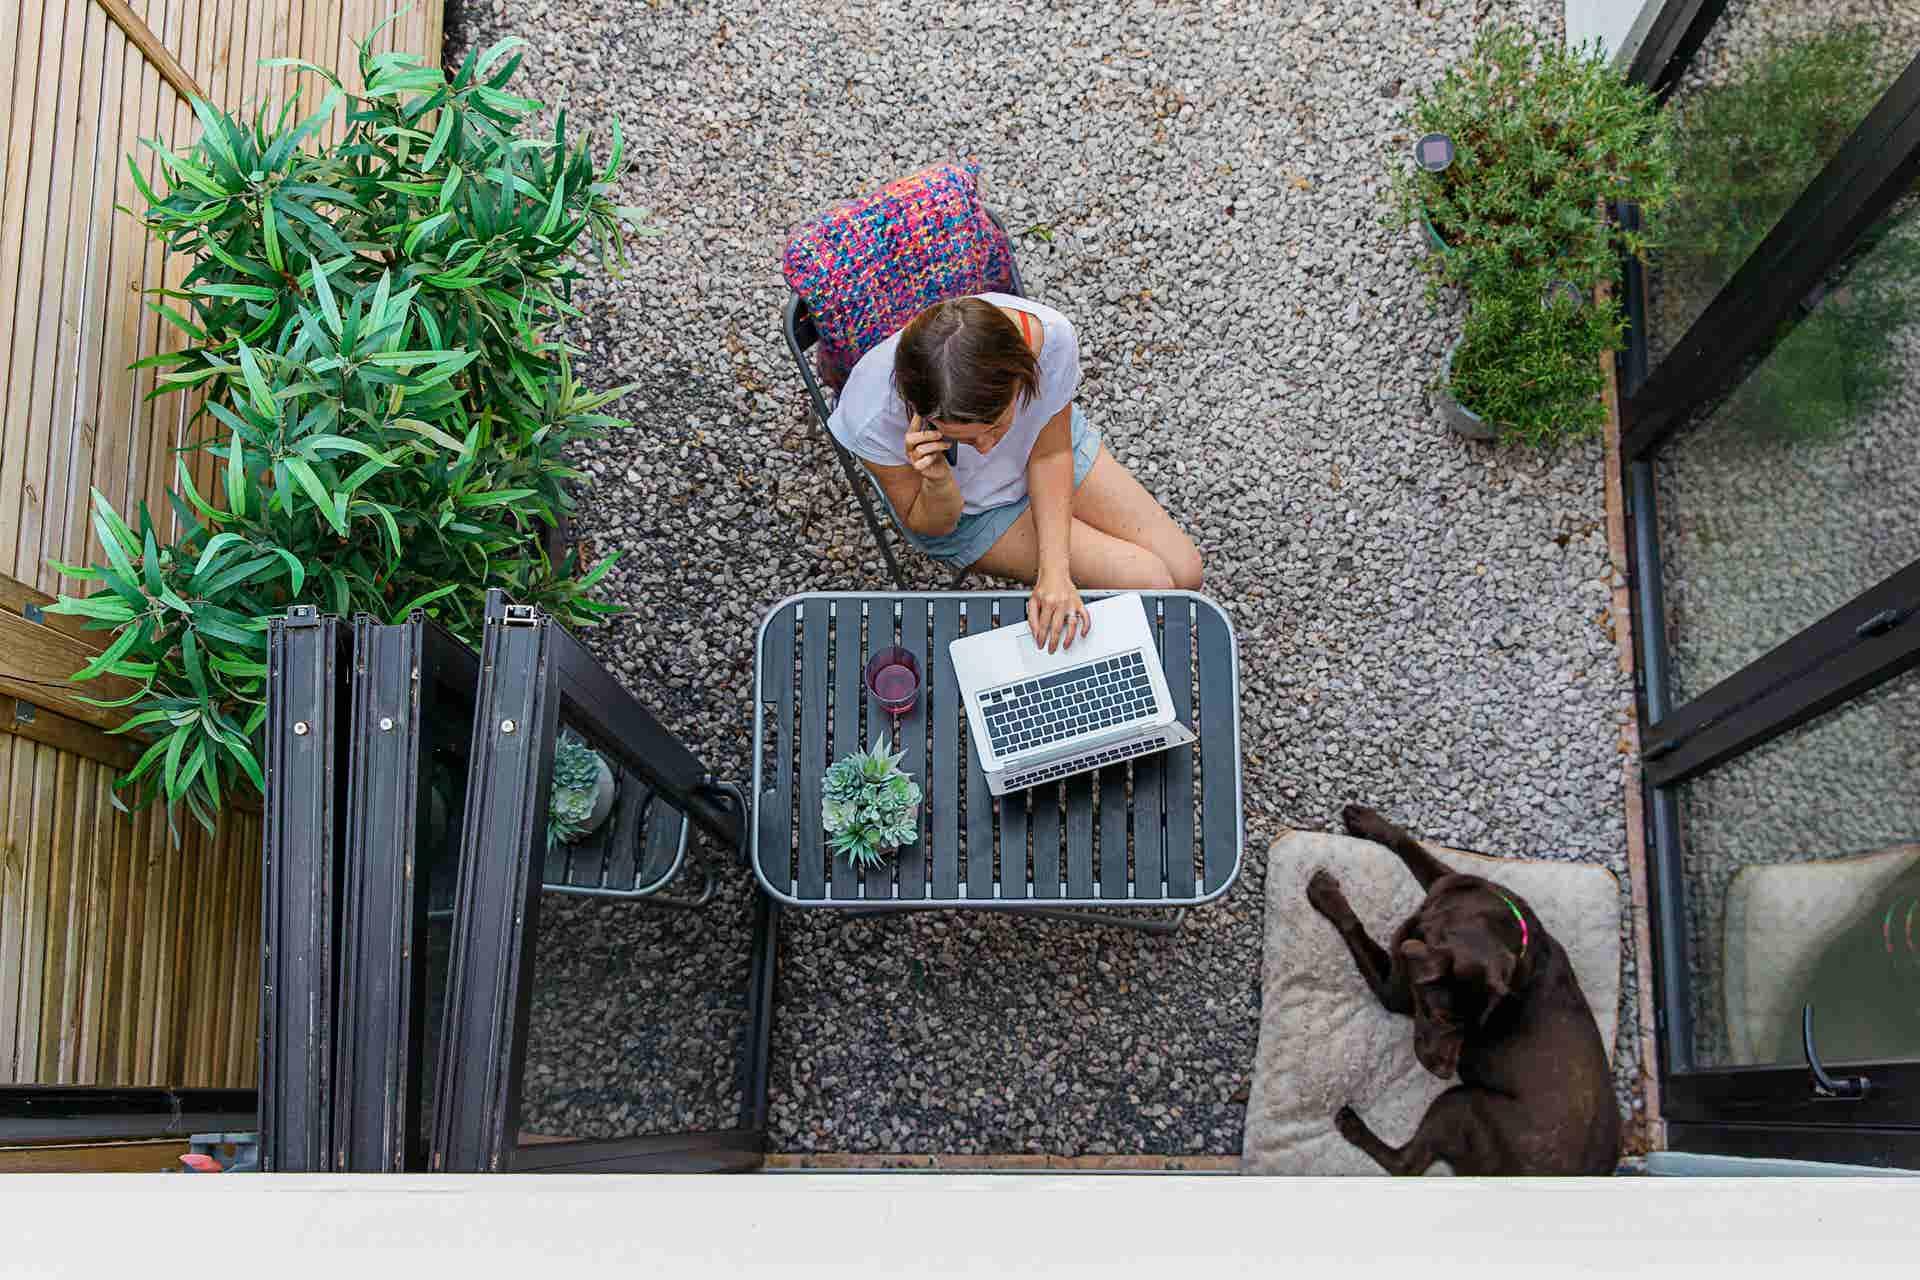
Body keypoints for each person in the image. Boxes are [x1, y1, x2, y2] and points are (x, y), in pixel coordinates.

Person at [826, 293, 1202, 653]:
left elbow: (1051, 450)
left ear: (1021, 378)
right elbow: (929, 526)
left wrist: (1055, 571)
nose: (988, 448)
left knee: (1185, 575)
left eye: (996, 426)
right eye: (965, 440)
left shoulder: (1048, 338)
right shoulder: (868, 415)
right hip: (972, 515)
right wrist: (939, 481)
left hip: (1047, 454)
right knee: (1151, 582)